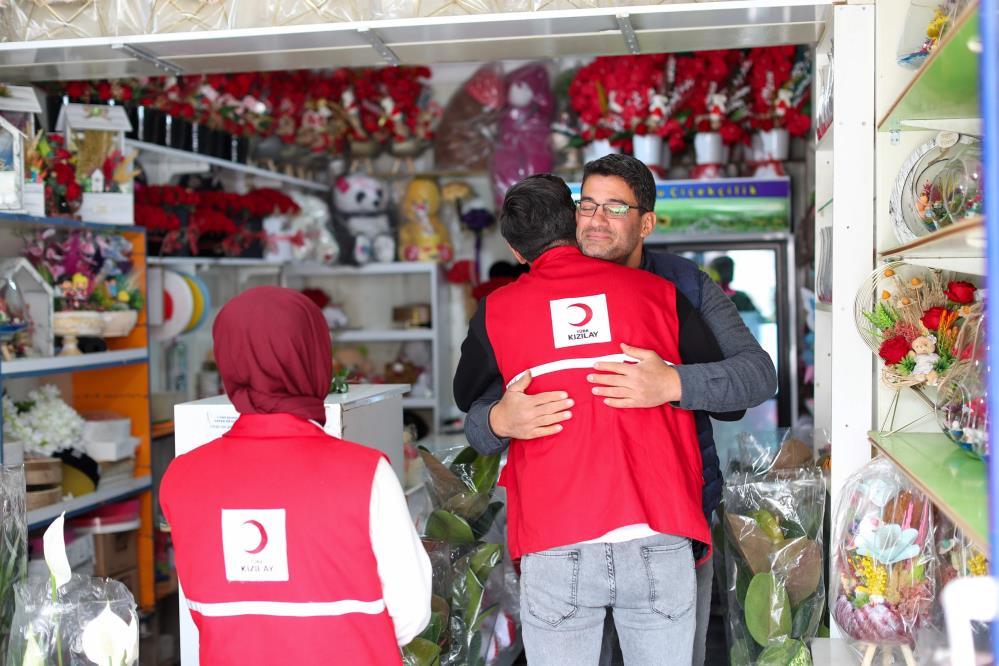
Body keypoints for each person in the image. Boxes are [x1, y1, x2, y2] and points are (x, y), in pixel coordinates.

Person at [462, 154, 778, 666]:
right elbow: (477, 413)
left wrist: (672, 381)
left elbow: (758, 376)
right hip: (563, 527)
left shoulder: (683, 287)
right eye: (585, 204)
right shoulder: (522, 304)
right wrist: (499, 420)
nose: (594, 220)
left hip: (671, 518)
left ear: (646, 222)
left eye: (614, 208)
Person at [160, 286, 432, 665]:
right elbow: (411, 612)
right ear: (314, 356)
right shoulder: (365, 471)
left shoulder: (181, 476)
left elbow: (203, 606)